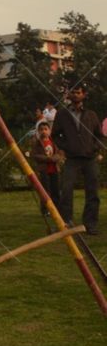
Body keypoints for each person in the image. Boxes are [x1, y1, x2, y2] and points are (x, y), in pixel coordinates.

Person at [52, 82, 102, 235]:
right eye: (73, 92)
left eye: (78, 92)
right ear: (69, 95)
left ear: (84, 95)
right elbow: (55, 135)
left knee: (93, 192)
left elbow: (99, 136)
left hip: (90, 158)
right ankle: (66, 223)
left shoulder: (91, 114)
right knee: (66, 190)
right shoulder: (62, 114)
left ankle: (90, 224)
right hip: (72, 159)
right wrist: (66, 147)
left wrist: (94, 148)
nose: (75, 95)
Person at [29, 120, 65, 214]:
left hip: (54, 169)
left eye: (46, 129)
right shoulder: (36, 143)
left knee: (56, 190)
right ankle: (45, 209)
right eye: (41, 129)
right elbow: (35, 155)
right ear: (38, 131)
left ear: (49, 130)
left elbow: (59, 153)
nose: (43, 131)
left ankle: (57, 209)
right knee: (45, 191)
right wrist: (48, 159)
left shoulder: (53, 142)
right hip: (44, 170)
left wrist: (55, 158)